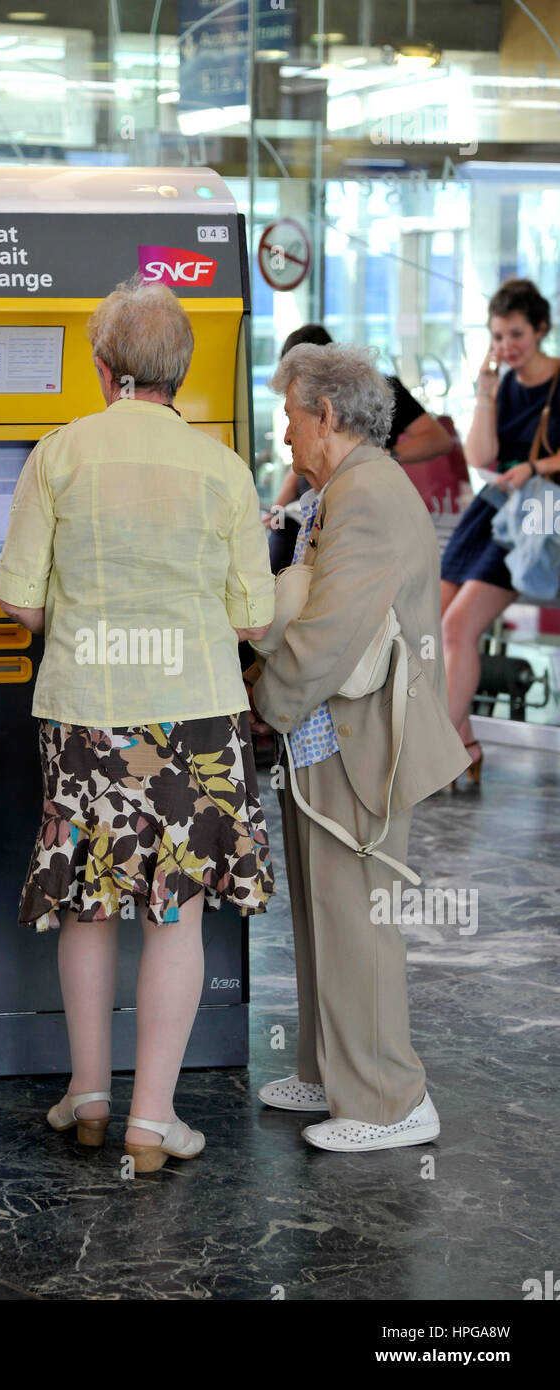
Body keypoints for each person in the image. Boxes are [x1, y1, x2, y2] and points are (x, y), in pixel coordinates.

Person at [0, 278, 276, 1174]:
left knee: (87, 899)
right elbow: (251, 619)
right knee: (174, 909)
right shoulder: (224, 470)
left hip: (84, 713)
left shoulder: (58, 454)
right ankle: (152, 1121)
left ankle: (87, 1094)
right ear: (180, 372)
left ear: (102, 366)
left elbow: (18, 604)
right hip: (195, 720)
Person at [247, 343, 468, 1152]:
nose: (285, 432)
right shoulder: (347, 487)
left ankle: (389, 1101)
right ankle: (331, 1070)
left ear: (327, 417)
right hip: (332, 737)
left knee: (357, 916)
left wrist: (263, 701)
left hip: (361, 739)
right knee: (324, 913)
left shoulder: (366, 494)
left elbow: (329, 635)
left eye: (291, 416)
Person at [441, 278, 560, 785]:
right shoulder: (506, 382)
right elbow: (478, 456)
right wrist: (485, 395)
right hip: (494, 511)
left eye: (516, 334)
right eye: (498, 336)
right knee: (429, 624)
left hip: (535, 518)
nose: (507, 346)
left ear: (540, 330)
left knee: (456, 628)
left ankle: (441, 752)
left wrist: (533, 470)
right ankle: (463, 741)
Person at [265, 324, 451, 572]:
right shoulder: (312, 481)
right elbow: (296, 469)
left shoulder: (375, 394)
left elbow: (438, 439)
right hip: (308, 510)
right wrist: (276, 512)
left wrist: (390, 455)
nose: (288, 437)